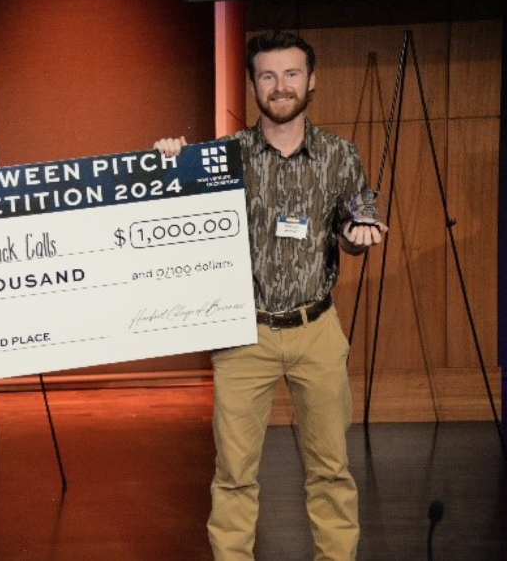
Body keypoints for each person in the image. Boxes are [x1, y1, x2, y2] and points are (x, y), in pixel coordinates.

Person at [155, 30, 386, 561]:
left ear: (311, 82)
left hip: (317, 331)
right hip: (243, 335)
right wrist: (171, 161)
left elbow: (359, 222)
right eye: (267, 75)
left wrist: (357, 237)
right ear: (253, 84)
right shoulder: (221, 157)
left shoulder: (340, 155)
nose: (280, 86)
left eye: (291, 74)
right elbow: (172, 213)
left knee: (330, 469)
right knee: (234, 474)